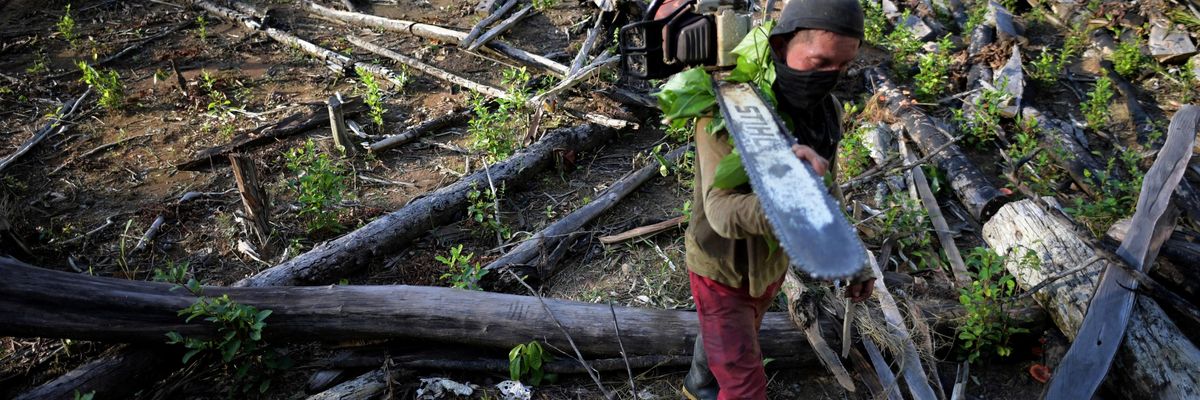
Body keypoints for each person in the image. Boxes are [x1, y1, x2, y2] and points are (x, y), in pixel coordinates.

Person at [667, 0, 878, 398]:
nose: (829, 78)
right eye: (819, 62)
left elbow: (827, 188)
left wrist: (855, 260)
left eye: (842, 67)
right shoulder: (727, 110)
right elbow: (721, 212)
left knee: (741, 327)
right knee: (746, 385)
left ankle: (698, 383)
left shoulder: (825, 110)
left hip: (770, 267)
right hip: (721, 268)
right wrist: (791, 200)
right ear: (781, 46)